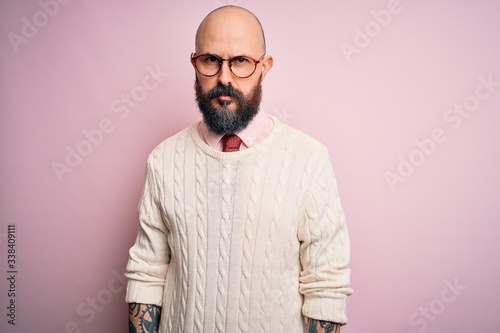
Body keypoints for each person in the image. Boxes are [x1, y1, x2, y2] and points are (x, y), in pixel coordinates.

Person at [125, 5, 352, 333]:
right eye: (211, 60)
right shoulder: (164, 159)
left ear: (265, 67)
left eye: (241, 61)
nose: (225, 77)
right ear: (195, 63)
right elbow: (147, 274)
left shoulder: (309, 159)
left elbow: (326, 285)